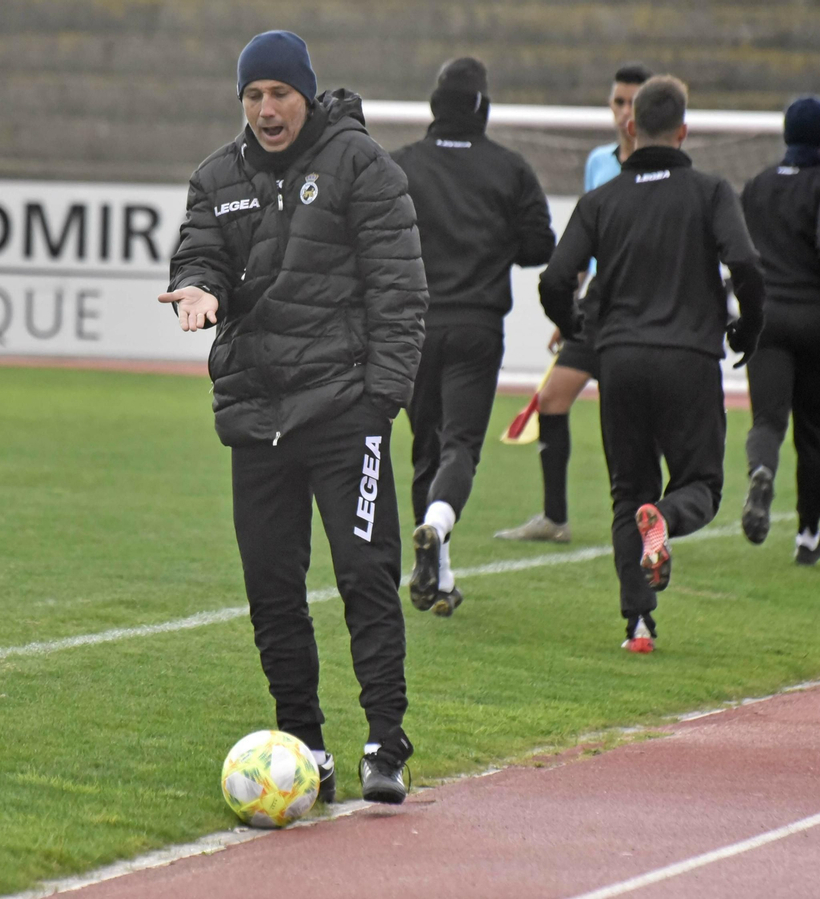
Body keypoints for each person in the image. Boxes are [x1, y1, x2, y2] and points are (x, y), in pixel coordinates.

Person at [158, 31, 428, 803]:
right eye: (253, 96)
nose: (267, 109)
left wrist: (381, 402)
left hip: (347, 413)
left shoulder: (362, 165)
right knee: (273, 590)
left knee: (365, 575)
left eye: (279, 93)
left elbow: (401, 292)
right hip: (257, 417)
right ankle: (306, 744)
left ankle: (385, 740)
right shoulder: (217, 176)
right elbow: (200, 251)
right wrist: (199, 287)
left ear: (306, 94)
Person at [537, 75, 765, 653]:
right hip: (688, 358)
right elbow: (746, 263)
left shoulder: (601, 200)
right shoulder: (711, 192)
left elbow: (556, 278)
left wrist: (576, 323)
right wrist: (746, 327)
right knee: (702, 486)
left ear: (631, 127)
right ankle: (662, 516)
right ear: (684, 131)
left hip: (620, 362)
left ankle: (638, 625)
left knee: (625, 492)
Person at [391, 57, 555, 617]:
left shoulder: (401, 166)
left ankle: (438, 576)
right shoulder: (508, 169)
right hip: (476, 326)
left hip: (412, 327)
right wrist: (492, 245)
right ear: (482, 107)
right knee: (459, 446)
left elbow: (369, 237)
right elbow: (541, 245)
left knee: (425, 451)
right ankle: (437, 529)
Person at [496, 63, 650, 545]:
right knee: (552, 398)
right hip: (596, 309)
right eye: (618, 102)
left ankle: (651, 516)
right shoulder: (599, 162)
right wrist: (571, 309)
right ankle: (554, 518)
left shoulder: (661, 166)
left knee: (634, 420)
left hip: (641, 310)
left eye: (634, 103)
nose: (625, 112)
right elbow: (587, 241)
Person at [738, 96, 820, 564]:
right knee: (813, 432)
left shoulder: (756, 185)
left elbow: (736, 249)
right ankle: (809, 535)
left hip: (767, 318)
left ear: (786, 135)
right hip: (817, 320)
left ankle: (761, 471)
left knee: (767, 420)